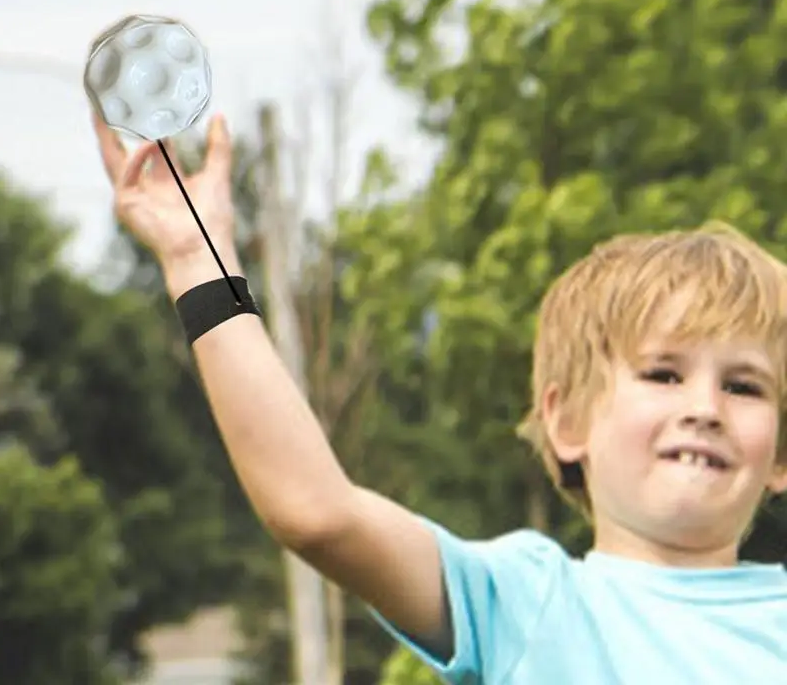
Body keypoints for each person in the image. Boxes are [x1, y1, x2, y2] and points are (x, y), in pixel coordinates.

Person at [93, 112, 787, 683]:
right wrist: (197, 261)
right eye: (663, 374)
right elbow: (316, 511)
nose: (705, 406)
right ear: (569, 421)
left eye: (744, 385)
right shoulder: (524, 600)